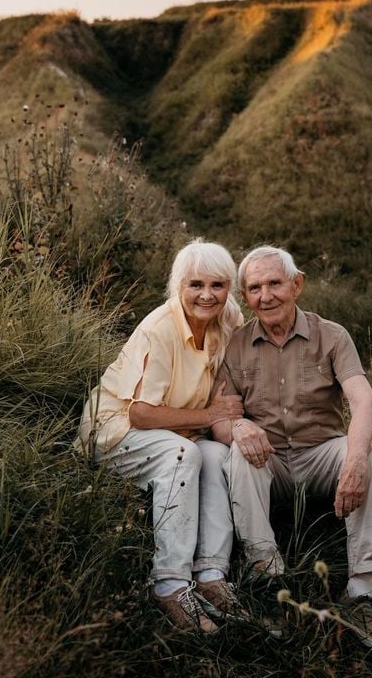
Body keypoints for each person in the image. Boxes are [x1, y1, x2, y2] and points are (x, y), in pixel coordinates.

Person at [212, 245, 372, 649]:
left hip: (321, 453)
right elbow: (221, 419)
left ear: (297, 285)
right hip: (269, 459)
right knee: (238, 455)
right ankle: (267, 578)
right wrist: (239, 426)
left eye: (275, 283)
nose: (266, 295)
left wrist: (357, 459)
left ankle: (361, 590)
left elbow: (362, 400)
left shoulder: (332, 335)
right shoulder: (235, 345)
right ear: (246, 296)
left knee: (369, 454)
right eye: (255, 288)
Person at [75, 239, 248, 634]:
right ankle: (170, 585)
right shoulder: (159, 329)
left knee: (216, 455)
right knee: (184, 454)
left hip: (181, 431)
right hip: (116, 428)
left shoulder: (229, 319)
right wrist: (211, 414)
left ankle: (211, 575)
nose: (207, 295)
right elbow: (140, 413)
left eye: (218, 285)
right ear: (178, 285)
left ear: (229, 288)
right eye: (195, 284)